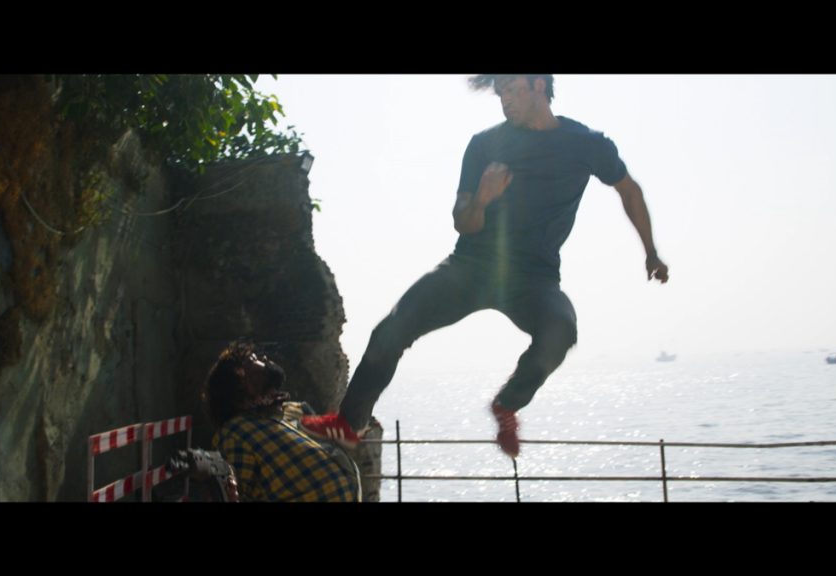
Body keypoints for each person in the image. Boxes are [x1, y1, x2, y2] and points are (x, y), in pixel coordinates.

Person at [302, 75, 669, 458]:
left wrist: (651, 252)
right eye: (500, 93)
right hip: (470, 268)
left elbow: (630, 191)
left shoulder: (587, 144)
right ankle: (349, 423)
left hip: (534, 278)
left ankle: (507, 404)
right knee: (390, 331)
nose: (505, 100)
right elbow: (463, 221)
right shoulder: (484, 145)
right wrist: (481, 199)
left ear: (538, 85)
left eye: (512, 89)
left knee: (561, 329)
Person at [202, 341, 360, 501]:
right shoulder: (235, 432)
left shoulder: (294, 409)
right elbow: (233, 494)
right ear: (241, 382)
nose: (264, 358)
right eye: (252, 360)